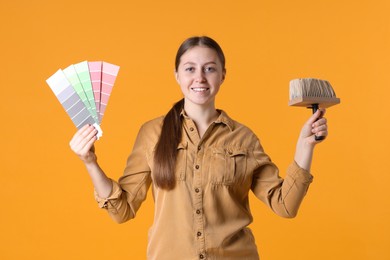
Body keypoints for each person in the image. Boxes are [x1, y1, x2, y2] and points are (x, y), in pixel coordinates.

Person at [70, 36, 328, 260]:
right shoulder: (152, 133)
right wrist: (90, 162)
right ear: (177, 75)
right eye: (190, 69)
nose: (200, 78)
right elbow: (122, 210)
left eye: (210, 69)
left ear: (223, 74)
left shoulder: (243, 139)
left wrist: (305, 146)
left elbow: (284, 205)